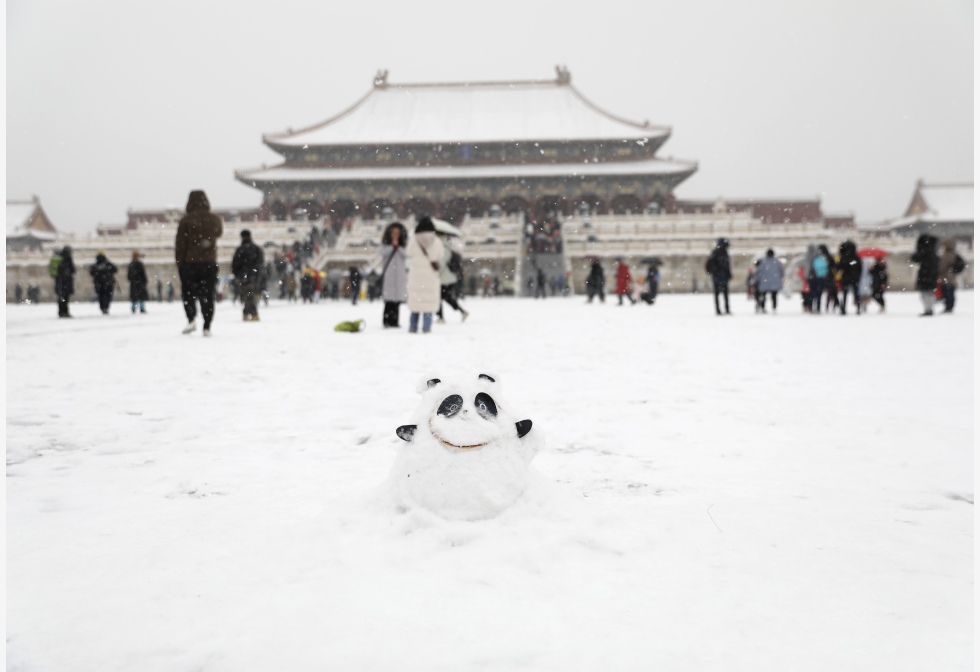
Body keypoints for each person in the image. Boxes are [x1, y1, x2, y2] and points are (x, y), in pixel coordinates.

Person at [175, 189, 223, 336]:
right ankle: (207, 325)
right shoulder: (214, 219)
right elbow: (218, 233)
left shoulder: (186, 221)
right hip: (209, 263)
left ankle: (191, 320)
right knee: (208, 294)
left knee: (188, 294)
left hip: (190, 263)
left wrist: (180, 264)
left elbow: (180, 245)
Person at [406, 217, 444, 333]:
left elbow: (408, 253)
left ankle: (413, 326)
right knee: (428, 304)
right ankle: (426, 327)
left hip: (416, 274)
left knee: (416, 303)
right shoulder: (437, 241)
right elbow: (441, 255)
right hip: (430, 275)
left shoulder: (413, 240)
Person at [379, 222, 409, 328]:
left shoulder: (403, 246)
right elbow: (383, 252)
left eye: (398, 233)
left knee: (397, 301)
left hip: (399, 275)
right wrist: (393, 246)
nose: (396, 235)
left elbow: (406, 254)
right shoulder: (385, 245)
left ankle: (395, 321)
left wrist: (398, 247)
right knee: (389, 301)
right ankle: (387, 320)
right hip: (389, 275)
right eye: (394, 233)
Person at [231, 229, 264, 321]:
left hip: (243, 276)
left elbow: (234, 265)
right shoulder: (256, 249)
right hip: (254, 276)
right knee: (250, 295)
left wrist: (238, 274)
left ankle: (250, 314)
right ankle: (250, 313)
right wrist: (258, 275)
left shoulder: (240, 249)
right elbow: (260, 263)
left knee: (246, 296)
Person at [436, 235, 469, 322]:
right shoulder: (448, 247)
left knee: (439, 297)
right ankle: (461, 311)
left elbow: (441, 264)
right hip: (448, 278)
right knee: (446, 297)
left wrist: (435, 272)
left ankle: (441, 317)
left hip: (445, 278)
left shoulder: (443, 248)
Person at [910, 233, 940, 316]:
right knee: (929, 292)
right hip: (931, 275)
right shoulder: (933, 251)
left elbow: (914, 258)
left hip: (924, 275)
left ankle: (928, 309)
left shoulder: (923, 251)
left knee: (925, 293)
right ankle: (929, 308)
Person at [937, 239, 966, 314]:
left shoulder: (945, 255)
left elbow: (941, 267)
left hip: (945, 278)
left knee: (946, 293)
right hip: (953, 278)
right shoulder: (955, 255)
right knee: (951, 293)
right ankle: (950, 307)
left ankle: (948, 307)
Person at [705, 237, 732, 315]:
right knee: (724, 294)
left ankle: (719, 309)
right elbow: (726, 265)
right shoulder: (721, 253)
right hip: (721, 276)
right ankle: (724, 309)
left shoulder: (715, 252)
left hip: (717, 276)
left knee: (719, 294)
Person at [837, 240, 861, 315]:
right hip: (855, 278)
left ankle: (843, 307)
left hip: (845, 277)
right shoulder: (856, 257)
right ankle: (858, 308)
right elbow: (860, 269)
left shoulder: (843, 257)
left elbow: (839, 268)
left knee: (844, 294)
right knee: (856, 293)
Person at [54, 245, 76, 318]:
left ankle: (61, 312)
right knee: (65, 298)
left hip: (59, 282)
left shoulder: (58, 257)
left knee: (61, 297)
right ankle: (65, 312)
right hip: (66, 282)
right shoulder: (68, 258)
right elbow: (73, 270)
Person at [809, 246, 831, 314]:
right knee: (819, 294)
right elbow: (826, 269)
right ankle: (818, 307)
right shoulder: (824, 259)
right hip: (821, 278)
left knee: (813, 294)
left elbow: (812, 268)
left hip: (814, 278)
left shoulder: (814, 259)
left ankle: (812, 307)